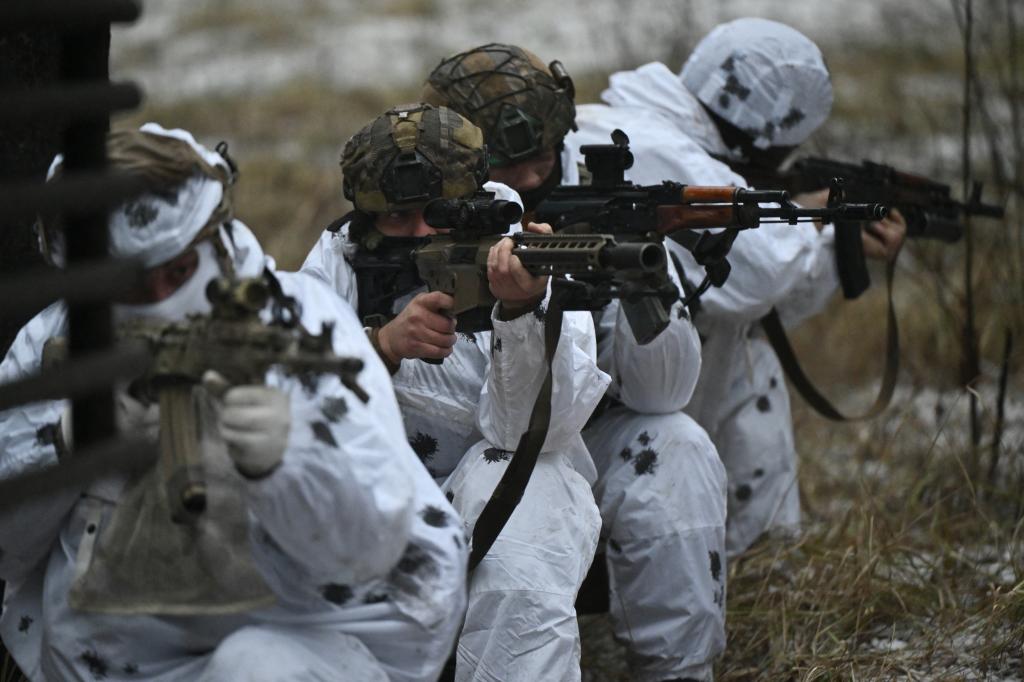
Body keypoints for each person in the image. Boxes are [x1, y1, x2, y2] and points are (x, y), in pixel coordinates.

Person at [0, 123, 467, 682]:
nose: (159, 301)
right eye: (129, 284)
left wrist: (288, 462)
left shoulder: (302, 328)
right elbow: (9, 549)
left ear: (212, 239)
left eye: (177, 272)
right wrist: (63, 439)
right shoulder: (54, 344)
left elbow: (374, 544)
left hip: (295, 646)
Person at [423, 44, 728, 682]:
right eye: (508, 166)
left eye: (543, 157)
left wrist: (644, 285)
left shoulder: (609, 222)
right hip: (454, 462)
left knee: (676, 444)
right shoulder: (413, 231)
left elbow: (662, 394)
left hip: (582, 442)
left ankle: (679, 668)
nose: (532, 182)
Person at [567, 17, 907, 558]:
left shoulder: (616, 119)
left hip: (577, 383)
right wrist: (812, 220)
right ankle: (760, 561)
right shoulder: (665, 149)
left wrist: (822, 233)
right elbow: (761, 278)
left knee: (746, 350)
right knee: (751, 366)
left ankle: (755, 558)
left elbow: (744, 294)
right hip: (598, 411)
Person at [301, 103, 610, 682]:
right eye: (398, 221)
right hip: (370, 521)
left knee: (533, 497)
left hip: (492, 505)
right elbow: (281, 396)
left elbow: (530, 436)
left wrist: (520, 310)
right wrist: (380, 347)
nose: (420, 233)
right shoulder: (336, 266)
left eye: (438, 215)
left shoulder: (527, 254)